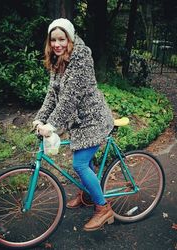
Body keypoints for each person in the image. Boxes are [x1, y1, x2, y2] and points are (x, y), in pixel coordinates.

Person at [33, 18, 114, 231]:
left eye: (62, 39)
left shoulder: (81, 58)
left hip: (94, 119)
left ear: (70, 39)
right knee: (82, 163)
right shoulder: (58, 60)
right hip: (80, 122)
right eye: (53, 40)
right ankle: (88, 195)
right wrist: (40, 118)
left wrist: (52, 125)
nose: (57, 44)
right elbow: (53, 94)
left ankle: (103, 208)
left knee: (79, 164)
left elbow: (70, 98)